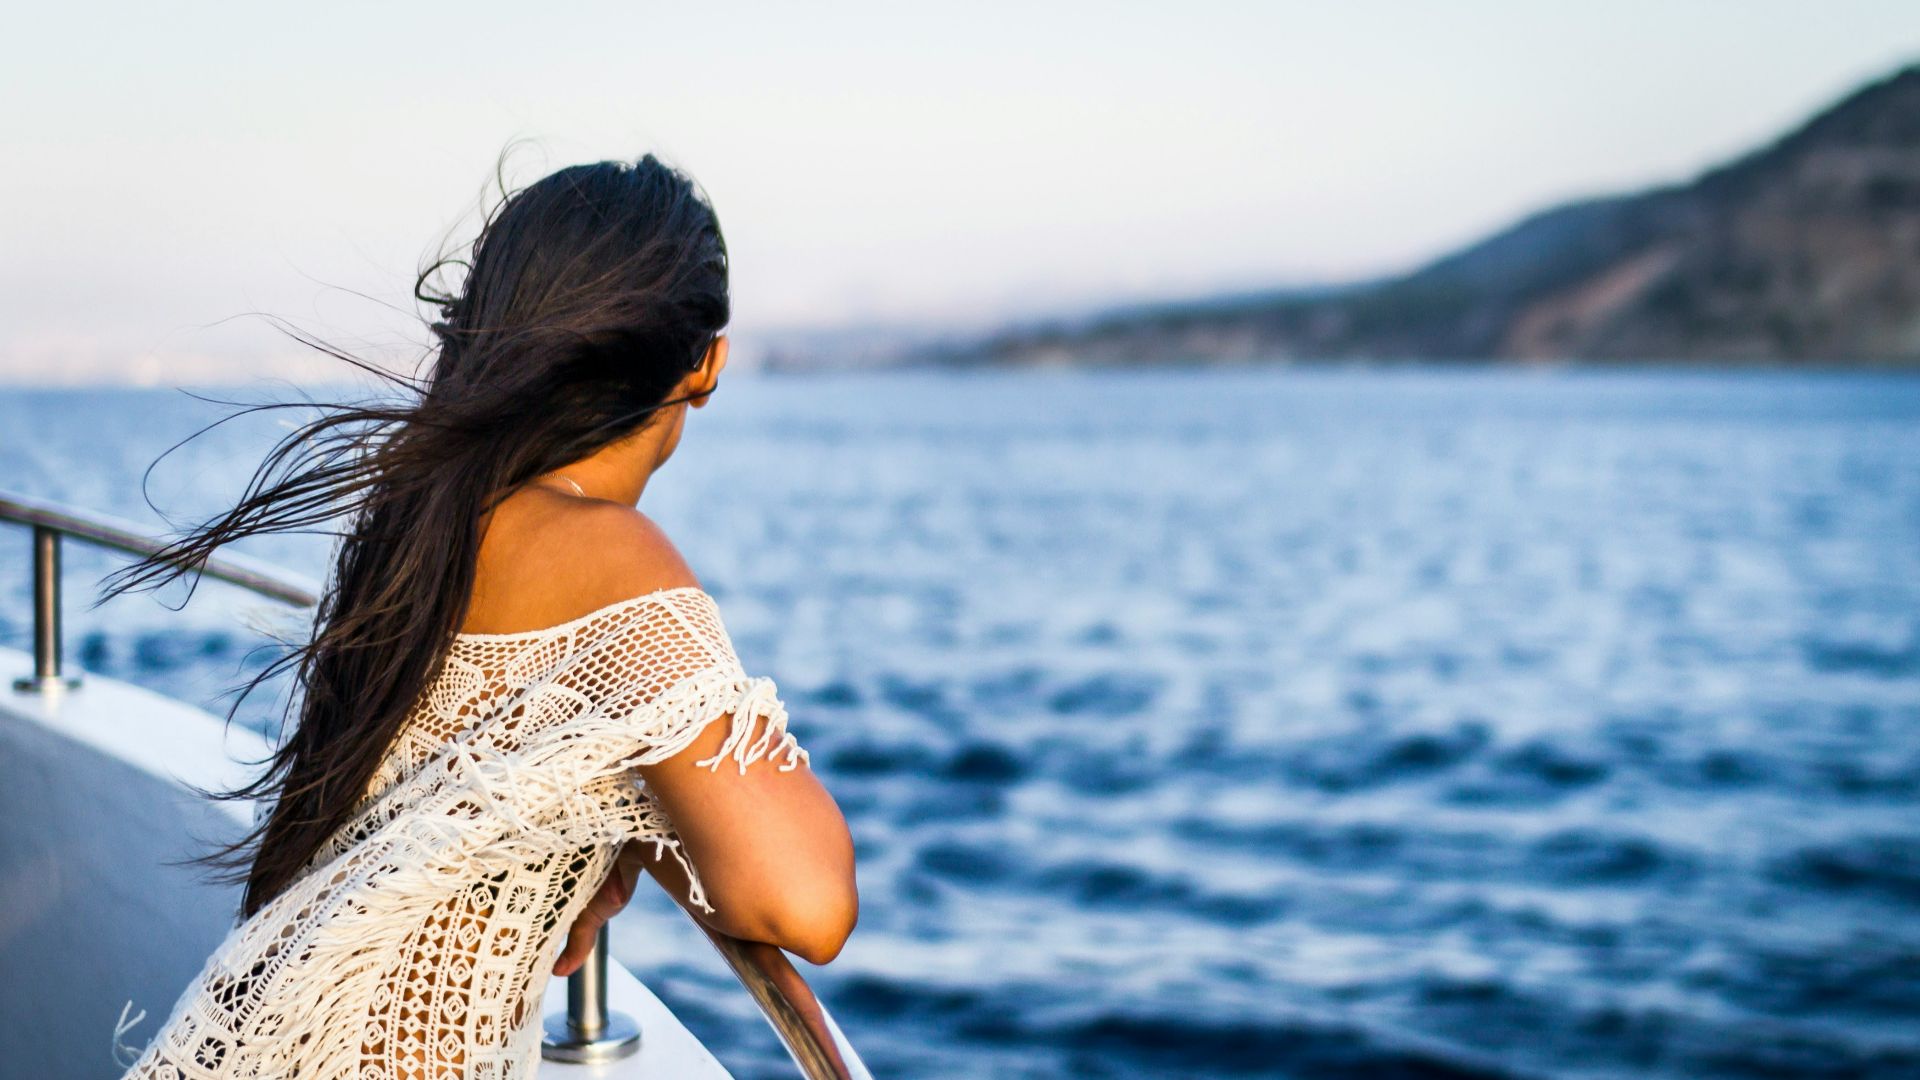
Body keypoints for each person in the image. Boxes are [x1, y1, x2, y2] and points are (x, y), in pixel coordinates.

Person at [104, 153, 858, 1078]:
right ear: (707, 365)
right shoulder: (612, 556)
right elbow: (805, 905)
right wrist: (650, 800)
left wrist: (624, 800)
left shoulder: (428, 513)